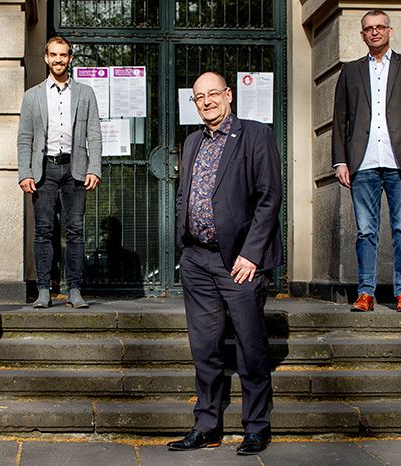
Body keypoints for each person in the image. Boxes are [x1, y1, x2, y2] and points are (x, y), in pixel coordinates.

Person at [169, 72, 283, 455]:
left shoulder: (255, 134)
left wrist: (251, 254)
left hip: (239, 260)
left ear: (228, 95)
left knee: (250, 347)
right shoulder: (192, 141)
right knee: (205, 349)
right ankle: (207, 425)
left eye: (213, 93)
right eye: (199, 97)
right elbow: (187, 193)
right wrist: (185, 246)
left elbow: (269, 198)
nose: (206, 101)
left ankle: (256, 426)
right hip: (197, 259)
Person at [332, 9, 401, 313]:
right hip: (362, 164)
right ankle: (365, 293)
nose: (374, 32)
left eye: (380, 27)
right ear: (362, 35)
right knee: (366, 231)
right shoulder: (350, 71)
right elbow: (340, 122)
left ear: (390, 31)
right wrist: (340, 161)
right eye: (368, 28)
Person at [17, 36, 102, 309]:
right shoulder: (32, 96)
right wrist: (25, 172)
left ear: (70, 58)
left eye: (63, 55)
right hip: (44, 170)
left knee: (75, 231)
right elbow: (25, 138)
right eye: (53, 54)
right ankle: (43, 289)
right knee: (43, 231)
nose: (58, 59)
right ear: (46, 58)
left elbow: (95, 135)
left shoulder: (85, 93)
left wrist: (94, 168)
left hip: (75, 169)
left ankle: (74, 289)